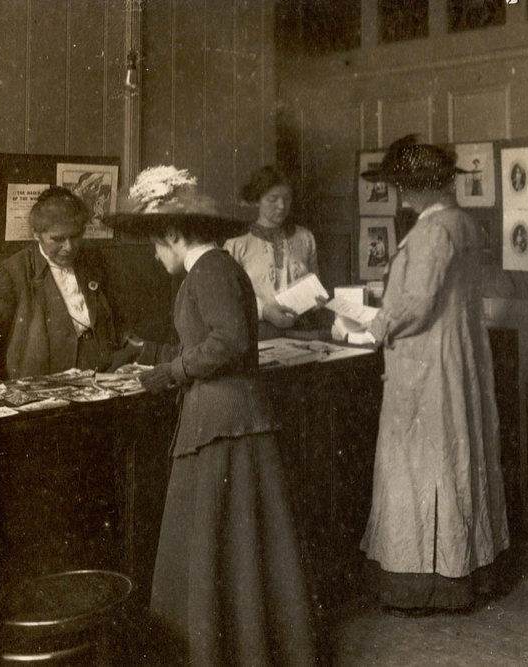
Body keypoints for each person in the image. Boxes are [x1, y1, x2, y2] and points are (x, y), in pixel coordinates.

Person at [106, 166, 319, 666]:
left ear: (176, 236)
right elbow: (211, 339)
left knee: (220, 541)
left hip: (224, 420)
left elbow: (229, 342)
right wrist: (154, 356)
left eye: (157, 246)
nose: (156, 257)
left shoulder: (212, 270)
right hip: (224, 417)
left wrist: (171, 372)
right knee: (230, 543)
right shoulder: (215, 269)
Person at [357, 136, 510, 615]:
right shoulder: (462, 224)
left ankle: (426, 580)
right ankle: (467, 566)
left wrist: (373, 327)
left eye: (403, 188)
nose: (400, 197)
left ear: (418, 189)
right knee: (455, 456)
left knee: (423, 466)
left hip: (426, 367)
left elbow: (418, 304)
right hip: (457, 357)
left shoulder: (431, 232)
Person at [0, 186, 121, 379]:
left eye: (75, 236)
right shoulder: (13, 273)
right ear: (37, 234)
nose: (69, 247)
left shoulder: (94, 262)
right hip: (42, 389)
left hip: (100, 380)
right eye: (58, 239)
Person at [224, 165, 324, 339]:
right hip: (258, 335)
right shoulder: (236, 244)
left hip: (303, 332)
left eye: (287, 198)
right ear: (257, 200)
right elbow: (230, 300)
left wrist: (318, 299)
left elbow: (315, 283)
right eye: (273, 199)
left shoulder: (305, 237)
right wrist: (265, 312)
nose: (281, 206)